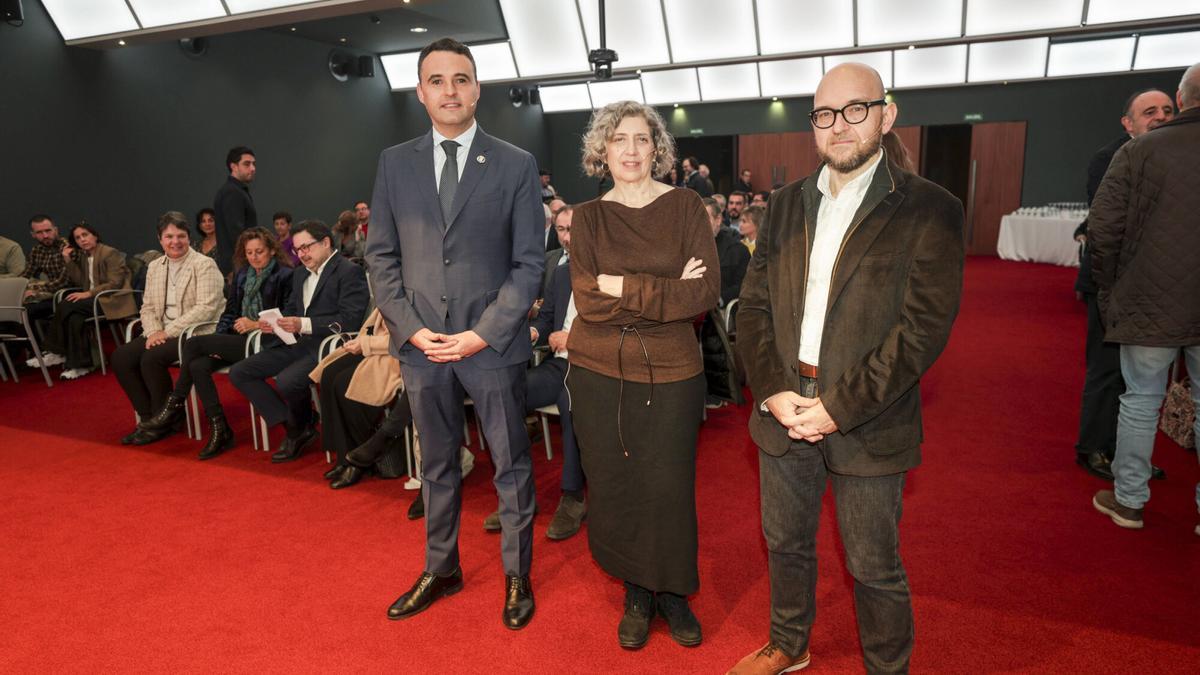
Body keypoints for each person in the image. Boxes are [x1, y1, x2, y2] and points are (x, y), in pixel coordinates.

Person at [728, 63, 964, 675]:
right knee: (785, 544)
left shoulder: (930, 209)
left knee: (872, 565)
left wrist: (838, 406)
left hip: (868, 414)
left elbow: (921, 331)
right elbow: (752, 308)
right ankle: (789, 642)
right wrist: (775, 389)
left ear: (886, 116)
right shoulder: (782, 205)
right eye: (825, 114)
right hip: (784, 406)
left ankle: (888, 668)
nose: (839, 126)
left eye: (855, 110)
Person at [365, 38, 543, 630]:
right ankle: (442, 568)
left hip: (490, 345)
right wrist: (412, 331)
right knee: (437, 463)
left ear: (477, 89)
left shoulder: (515, 163)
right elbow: (381, 259)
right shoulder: (394, 162)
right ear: (420, 92)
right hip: (420, 348)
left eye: (461, 79)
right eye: (436, 80)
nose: (449, 90)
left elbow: (528, 265)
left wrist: (481, 333)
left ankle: (517, 573)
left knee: (511, 464)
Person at [567, 100, 720, 650]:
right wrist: (663, 289)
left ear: (657, 148)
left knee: (668, 485)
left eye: (640, 139)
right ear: (601, 151)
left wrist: (620, 285)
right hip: (598, 371)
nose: (630, 150)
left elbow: (703, 293)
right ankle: (637, 590)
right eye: (618, 140)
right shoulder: (586, 217)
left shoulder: (685, 207)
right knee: (615, 484)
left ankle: (673, 592)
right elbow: (587, 302)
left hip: (674, 370)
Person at [1089, 64, 1200, 532]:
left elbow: (1103, 229)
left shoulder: (1139, 151)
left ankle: (1130, 500)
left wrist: (1110, 290)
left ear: (1181, 97)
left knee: (1139, 401)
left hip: (1149, 300)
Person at [1074, 88, 1175, 482]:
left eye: (1168, 110)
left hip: (1159, 287)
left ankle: (1127, 457)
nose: (1161, 117)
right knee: (1107, 371)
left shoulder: (1176, 158)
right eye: (1149, 112)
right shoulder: (1110, 157)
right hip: (1109, 282)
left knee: (1142, 381)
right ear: (1128, 123)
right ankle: (1093, 449)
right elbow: (1109, 226)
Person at [133, 228, 293, 457]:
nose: (254, 257)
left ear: (272, 250)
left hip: (268, 341)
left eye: (260, 251)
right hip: (238, 340)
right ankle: (220, 429)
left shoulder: (285, 275)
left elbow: (289, 316)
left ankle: (175, 403)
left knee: (193, 345)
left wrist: (255, 324)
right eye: (249, 252)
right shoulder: (242, 274)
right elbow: (229, 314)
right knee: (198, 365)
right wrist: (219, 341)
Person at [229, 219, 369, 462]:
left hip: (330, 347)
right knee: (241, 372)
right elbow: (293, 309)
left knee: (287, 381)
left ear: (325, 242)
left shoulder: (349, 271)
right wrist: (275, 324)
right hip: (298, 343)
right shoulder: (300, 274)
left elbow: (350, 321)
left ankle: (297, 429)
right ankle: (298, 426)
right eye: (297, 249)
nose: (302, 254)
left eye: (307, 247)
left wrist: (301, 324)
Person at [115, 212, 224, 444]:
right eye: (169, 236)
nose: (175, 241)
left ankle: (166, 421)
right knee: (121, 357)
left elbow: (206, 308)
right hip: (161, 331)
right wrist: (154, 331)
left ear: (189, 238)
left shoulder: (204, 264)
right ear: (160, 239)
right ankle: (149, 419)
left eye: (181, 236)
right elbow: (148, 307)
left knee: (151, 358)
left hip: (196, 332)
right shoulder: (155, 266)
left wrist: (166, 333)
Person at [312, 307, 412, 490]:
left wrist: (366, 344)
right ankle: (344, 457)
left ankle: (359, 462)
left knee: (345, 383)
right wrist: (360, 342)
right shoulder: (392, 286)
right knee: (329, 374)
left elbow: (407, 337)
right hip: (376, 347)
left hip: (396, 355)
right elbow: (373, 323)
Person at [39, 222, 137, 380]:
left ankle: (56, 351)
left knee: (66, 304)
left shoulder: (109, 252)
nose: (82, 240)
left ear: (95, 236)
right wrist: (68, 260)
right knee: (74, 318)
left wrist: (88, 293)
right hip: (95, 299)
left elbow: (115, 283)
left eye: (85, 235)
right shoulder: (86, 256)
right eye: (78, 238)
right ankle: (80, 365)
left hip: (112, 299)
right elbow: (81, 282)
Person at [212, 145, 258, 275]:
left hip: (240, 265)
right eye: (247, 164)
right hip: (239, 267)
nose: (253, 168)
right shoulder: (232, 192)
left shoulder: (235, 190)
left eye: (254, 164)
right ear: (233, 166)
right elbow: (237, 234)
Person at [19, 215, 70, 325]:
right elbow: (25, 275)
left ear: (56, 230)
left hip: (68, 294)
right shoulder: (37, 250)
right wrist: (17, 289)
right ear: (33, 235)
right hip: (50, 294)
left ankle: (37, 342)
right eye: (39, 233)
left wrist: (34, 289)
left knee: (27, 311)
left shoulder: (66, 248)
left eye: (48, 231)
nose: (45, 235)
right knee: (14, 308)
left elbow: (64, 282)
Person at [705, 198, 749, 307]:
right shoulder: (687, 248)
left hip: (720, 313)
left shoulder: (738, 250)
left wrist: (719, 299)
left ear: (718, 219)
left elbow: (744, 285)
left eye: (705, 218)